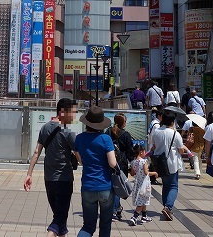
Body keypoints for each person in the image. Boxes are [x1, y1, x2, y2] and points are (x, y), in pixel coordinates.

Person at [25, 98, 78, 237]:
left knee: (59, 217)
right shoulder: (68, 133)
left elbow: (37, 152)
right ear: (62, 112)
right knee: (59, 218)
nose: (74, 116)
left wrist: (29, 174)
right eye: (72, 113)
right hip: (64, 180)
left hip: (49, 180)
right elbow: (80, 157)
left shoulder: (45, 128)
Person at [74, 106, 118, 237]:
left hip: (87, 186)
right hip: (105, 186)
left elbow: (81, 161)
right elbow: (112, 163)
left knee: (88, 226)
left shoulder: (79, 138)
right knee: (105, 226)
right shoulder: (106, 139)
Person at [149, 111, 189, 221]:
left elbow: (153, 146)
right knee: (173, 186)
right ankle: (168, 207)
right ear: (172, 122)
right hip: (172, 163)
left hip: (160, 163)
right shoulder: (175, 134)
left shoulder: (156, 132)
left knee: (165, 186)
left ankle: (166, 206)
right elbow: (181, 150)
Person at [109, 113, 133, 221]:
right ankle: (115, 209)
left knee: (112, 187)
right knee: (118, 186)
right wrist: (133, 165)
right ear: (123, 123)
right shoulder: (126, 135)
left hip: (109, 162)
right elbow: (130, 152)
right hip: (121, 163)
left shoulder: (109, 131)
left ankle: (115, 208)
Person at [127, 145, 156, 226]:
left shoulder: (133, 162)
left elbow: (132, 173)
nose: (145, 153)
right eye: (144, 151)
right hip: (144, 185)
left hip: (137, 184)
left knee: (143, 200)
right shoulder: (144, 161)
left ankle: (144, 216)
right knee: (141, 201)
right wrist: (154, 173)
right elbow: (146, 173)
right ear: (141, 152)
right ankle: (134, 217)